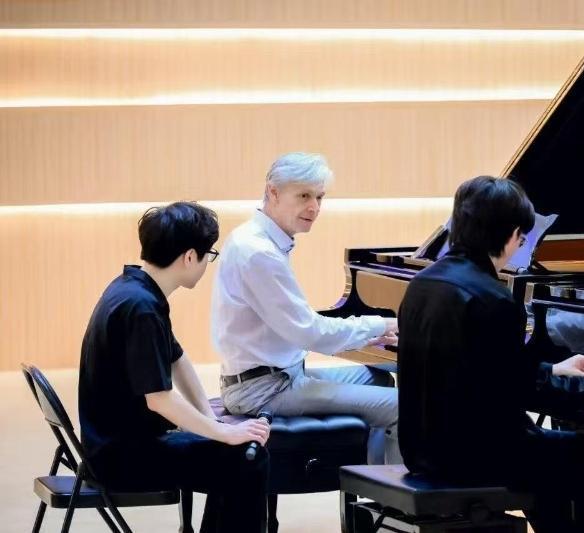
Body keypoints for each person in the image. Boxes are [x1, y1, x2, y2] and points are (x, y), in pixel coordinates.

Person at [398, 176, 584, 533]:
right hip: (478, 456)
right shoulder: (494, 299)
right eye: (522, 239)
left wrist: (554, 369)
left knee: (560, 463)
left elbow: (481, 369)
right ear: (513, 234)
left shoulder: (424, 283)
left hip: (424, 448)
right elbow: (522, 391)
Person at [79, 202, 271, 533]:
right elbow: (160, 400)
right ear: (189, 257)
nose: (208, 263)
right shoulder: (142, 309)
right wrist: (224, 433)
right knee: (248, 457)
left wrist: (213, 422)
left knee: (235, 451)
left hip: (115, 445)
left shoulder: (134, 288)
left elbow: (177, 359)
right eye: (209, 255)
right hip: (122, 458)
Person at [211, 152, 401, 464]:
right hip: (265, 390)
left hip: (278, 376)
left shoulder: (256, 238)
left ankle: (369, 479)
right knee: (402, 406)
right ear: (273, 192)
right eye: (303, 196)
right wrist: (383, 324)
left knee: (378, 378)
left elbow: (299, 328)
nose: (314, 207)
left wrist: (367, 336)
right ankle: (392, 491)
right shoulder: (258, 253)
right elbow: (310, 332)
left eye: (319, 197)